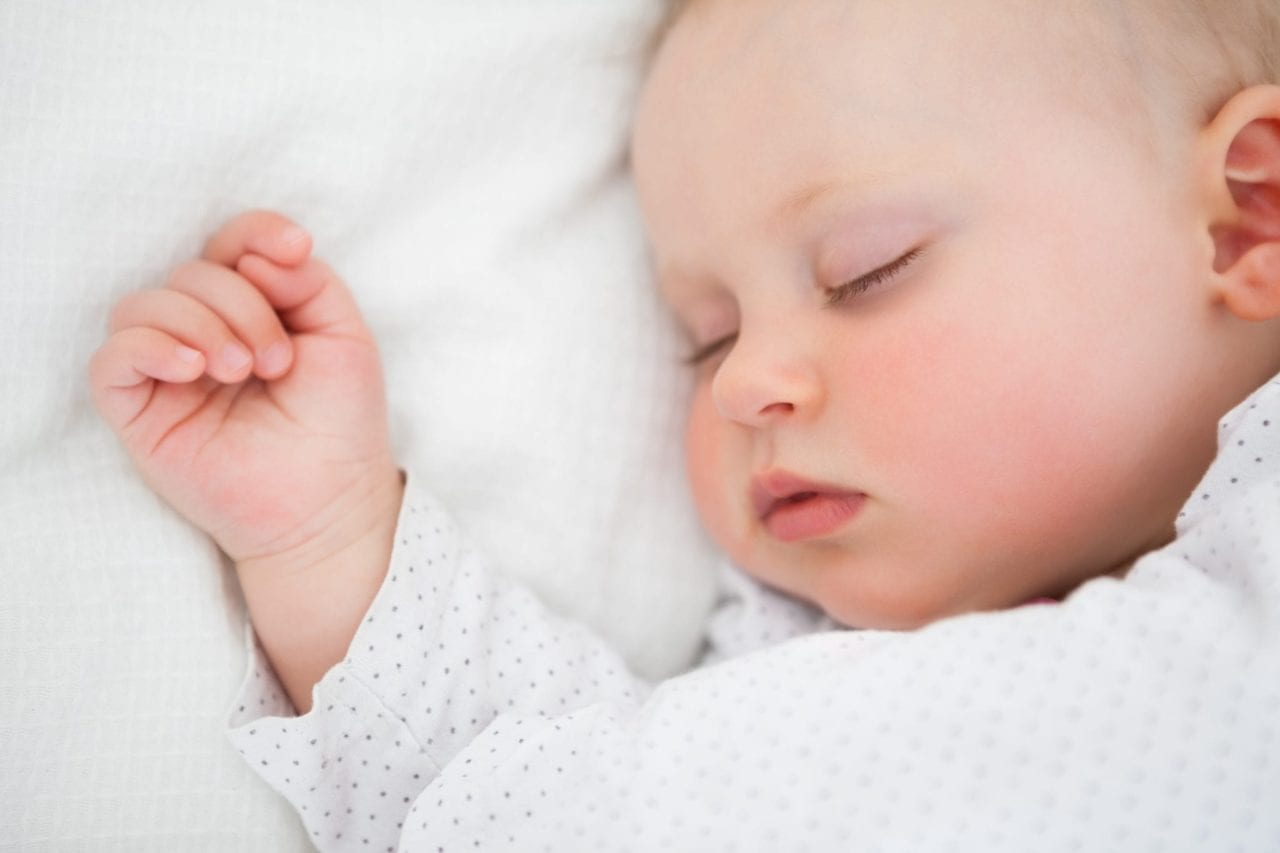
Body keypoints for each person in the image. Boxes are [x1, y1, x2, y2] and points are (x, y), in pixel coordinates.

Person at [89, 0, 1280, 849]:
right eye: (702, 334)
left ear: (1243, 220)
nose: (741, 380)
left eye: (867, 270)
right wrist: (326, 538)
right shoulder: (779, 670)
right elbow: (492, 788)